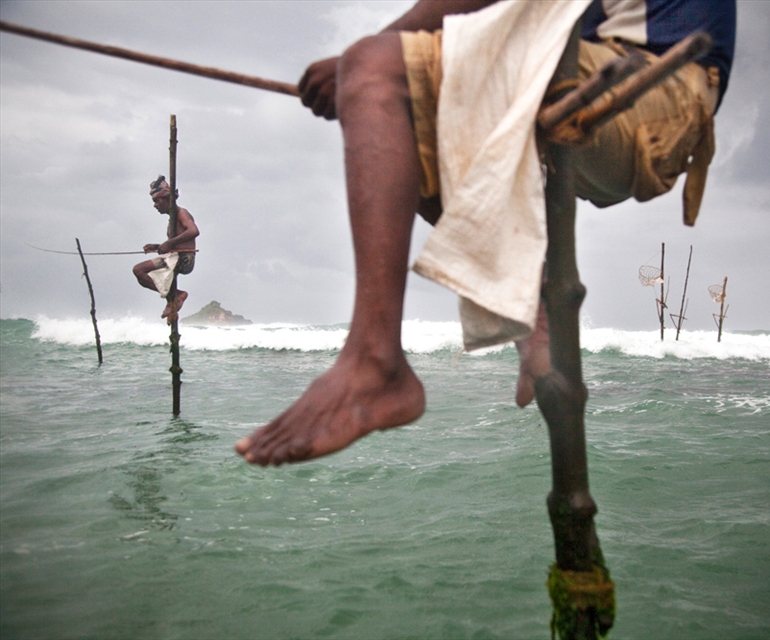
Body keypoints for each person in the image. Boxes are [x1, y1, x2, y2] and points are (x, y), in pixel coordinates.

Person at [235, 0, 736, 466]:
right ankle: (531, 312)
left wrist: (353, 67)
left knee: (376, 67)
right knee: (409, 112)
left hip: (657, 83)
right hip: (606, 81)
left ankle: (374, 362)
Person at [132, 175, 200, 322]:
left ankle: (175, 296)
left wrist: (169, 244)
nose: (155, 205)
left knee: (141, 270)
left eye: (157, 201)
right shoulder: (172, 219)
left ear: (167, 199)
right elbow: (175, 243)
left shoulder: (182, 213)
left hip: (183, 259)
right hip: (173, 257)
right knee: (140, 273)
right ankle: (174, 298)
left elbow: (194, 231)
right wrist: (157, 246)